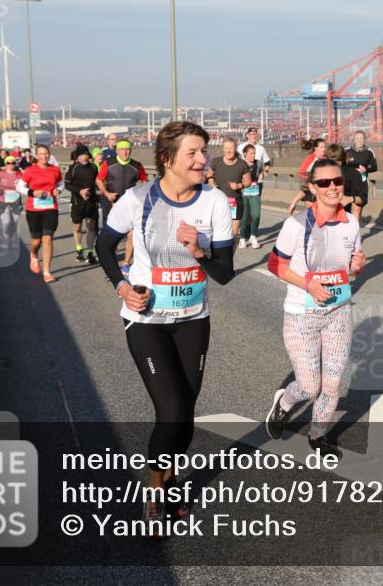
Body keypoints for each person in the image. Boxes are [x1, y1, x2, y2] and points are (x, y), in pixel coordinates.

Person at [94, 121, 235, 535]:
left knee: (185, 414)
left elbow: (224, 274)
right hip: (146, 320)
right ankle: (156, 490)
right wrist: (122, 287)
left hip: (193, 319)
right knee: (170, 411)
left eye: (204, 151)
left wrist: (198, 251)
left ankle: (170, 479)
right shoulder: (138, 199)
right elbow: (104, 246)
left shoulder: (214, 202)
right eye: (193, 152)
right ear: (167, 158)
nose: (202, 159)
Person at [265, 158, 365, 458]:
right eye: (324, 182)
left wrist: (356, 267)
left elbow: (350, 269)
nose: (333, 187)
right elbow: (275, 264)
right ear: (312, 188)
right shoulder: (296, 224)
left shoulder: (352, 223)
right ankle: (284, 402)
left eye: (338, 181)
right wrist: (307, 283)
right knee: (309, 387)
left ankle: (318, 434)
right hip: (302, 315)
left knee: (332, 384)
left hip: (338, 313)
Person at [96, 139, 148, 273]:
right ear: (117, 151)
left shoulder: (137, 165)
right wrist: (107, 194)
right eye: (122, 149)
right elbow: (99, 180)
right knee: (113, 235)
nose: (125, 152)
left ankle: (126, 263)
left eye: (128, 149)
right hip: (112, 203)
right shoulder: (109, 163)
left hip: (131, 205)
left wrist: (141, 196)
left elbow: (144, 181)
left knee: (131, 234)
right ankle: (111, 258)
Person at [17, 144, 64, 283]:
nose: (44, 156)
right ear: (36, 156)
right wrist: (32, 192)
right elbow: (19, 186)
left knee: (48, 238)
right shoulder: (30, 170)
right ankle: (33, 254)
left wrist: (58, 190)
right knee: (36, 241)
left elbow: (61, 184)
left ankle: (47, 272)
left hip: (50, 207)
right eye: (41, 154)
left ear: (49, 154)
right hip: (33, 209)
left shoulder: (55, 169)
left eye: (46, 153)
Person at [206, 138, 252, 247]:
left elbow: (248, 182)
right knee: (217, 233)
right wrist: (211, 182)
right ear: (223, 149)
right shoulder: (216, 162)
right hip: (218, 202)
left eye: (231, 148)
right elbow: (209, 174)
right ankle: (217, 255)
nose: (228, 150)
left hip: (235, 202)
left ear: (235, 149)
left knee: (233, 235)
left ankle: (229, 256)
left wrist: (238, 186)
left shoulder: (242, 164)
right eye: (226, 148)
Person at [64, 144, 100, 264]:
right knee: (77, 227)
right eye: (81, 155)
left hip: (91, 202)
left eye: (85, 154)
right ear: (77, 157)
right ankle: (79, 249)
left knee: (91, 227)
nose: (84, 157)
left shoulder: (94, 167)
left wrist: (100, 191)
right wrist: (80, 191)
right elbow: (67, 185)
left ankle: (90, 252)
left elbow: (98, 182)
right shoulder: (72, 168)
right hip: (77, 202)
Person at [286, 138, 327, 216]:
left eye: (324, 147)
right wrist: (310, 179)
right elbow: (301, 173)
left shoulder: (326, 158)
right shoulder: (311, 158)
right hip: (309, 189)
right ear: (316, 148)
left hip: (321, 190)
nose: (324, 149)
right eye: (321, 147)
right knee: (312, 215)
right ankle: (293, 205)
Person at [346, 130, 377, 221]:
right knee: (346, 210)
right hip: (347, 183)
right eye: (357, 138)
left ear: (364, 140)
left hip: (361, 183)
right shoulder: (347, 151)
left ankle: (355, 229)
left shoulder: (369, 152)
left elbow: (374, 167)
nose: (359, 141)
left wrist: (366, 169)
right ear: (354, 140)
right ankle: (346, 228)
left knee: (357, 209)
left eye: (361, 138)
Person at [0, 155, 23, 245]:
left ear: (15, 164)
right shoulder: (0, 173)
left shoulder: (19, 174)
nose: (10, 164)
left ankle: (13, 238)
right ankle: (5, 238)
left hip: (16, 201)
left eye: (13, 163)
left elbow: (25, 184)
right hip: (3, 200)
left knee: (14, 222)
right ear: (5, 164)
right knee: (6, 221)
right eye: (8, 163)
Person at [240, 144, 264, 248]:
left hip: (254, 193)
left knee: (256, 215)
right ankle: (242, 238)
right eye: (251, 153)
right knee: (245, 217)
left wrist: (258, 181)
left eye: (254, 153)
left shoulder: (258, 163)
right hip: (243, 193)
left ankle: (253, 236)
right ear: (245, 154)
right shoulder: (240, 164)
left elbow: (261, 173)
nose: (253, 155)